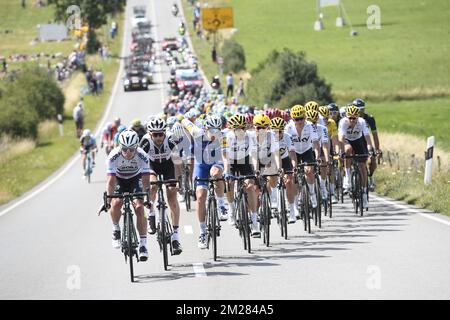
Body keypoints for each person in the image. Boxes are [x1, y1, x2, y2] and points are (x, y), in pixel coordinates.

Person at [177, 115, 229, 249]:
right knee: (200, 197)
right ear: (206, 129)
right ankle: (202, 232)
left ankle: (222, 205)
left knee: (216, 173)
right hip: (200, 165)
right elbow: (185, 122)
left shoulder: (223, 137)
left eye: (218, 131)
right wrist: (180, 118)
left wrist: (227, 172)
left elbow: (225, 156)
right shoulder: (196, 132)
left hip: (216, 163)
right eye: (212, 131)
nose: (215, 135)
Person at [106, 129, 151, 261]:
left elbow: (146, 179)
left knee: (139, 207)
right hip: (119, 179)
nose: (128, 153)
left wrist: (147, 197)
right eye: (124, 149)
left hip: (135, 178)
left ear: (136, 147)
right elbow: (110, 181)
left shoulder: (142, 156)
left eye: (131, 149)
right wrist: (108, 200)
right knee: (116, 203)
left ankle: (143, 245)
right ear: (120, 147)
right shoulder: (113, 156)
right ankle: (116, 229)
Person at [140, 118, 183, 255]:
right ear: (150, 134)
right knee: (152, 187)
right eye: (155, 134)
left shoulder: (171, 140)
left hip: (168, 165)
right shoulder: (145, 142)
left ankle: (175, 237)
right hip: (152, 166)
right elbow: (141, 165)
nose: (158, 137)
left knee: (172, 197)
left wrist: (179, 182)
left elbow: (177, 163)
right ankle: (151, 213)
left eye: (161, 134)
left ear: (165, 133)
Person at [222, 114, 260, 237]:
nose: (240, 131)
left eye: (242, 128)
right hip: (231, 162)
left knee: (250, 187)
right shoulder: (225, 137)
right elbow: (225, 157)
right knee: (229, 183)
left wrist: (256, 169)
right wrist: (227, 172)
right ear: (232, 129)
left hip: (245, 161)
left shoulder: (251, 136)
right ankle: (232, 209)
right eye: (236, 129)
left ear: (245, 128)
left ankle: (254, 222)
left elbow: (254, 155)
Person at [338, 105, 374, 209]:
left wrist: (370, 149)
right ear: (346, 117)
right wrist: (341, 151)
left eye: (354, 118)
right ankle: (348, 177)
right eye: (350, 118)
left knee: (362, 167)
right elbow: (341, 138)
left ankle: (363, 193)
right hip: (347, 141)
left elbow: (367, 137)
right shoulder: (343, 122)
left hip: (358, 141)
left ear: (358, 117)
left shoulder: (362, 122)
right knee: (348, 150)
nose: (352, 120)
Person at [286, 105, 321, 209]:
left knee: (309, 170)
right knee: (293, 177)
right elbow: (286, 144)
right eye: (296, 119)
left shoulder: (310, 126)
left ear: (305, 117)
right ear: (292, 119)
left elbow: (315, 142)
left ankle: (312, 193)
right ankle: (295, 202)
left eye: (301, 118)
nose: (299, 121)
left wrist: (318, 156)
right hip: (294, 152)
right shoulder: (288, 128)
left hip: (306, 151)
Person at [353, 98, 381, 191]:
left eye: (362, 110)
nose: (360, 112)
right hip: (354, 142)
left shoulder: (369, 119)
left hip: (366, 142)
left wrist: (377, 149)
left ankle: (370, 177)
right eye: (358, 110)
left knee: (372, 160)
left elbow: (375, 135)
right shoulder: (350, 118)